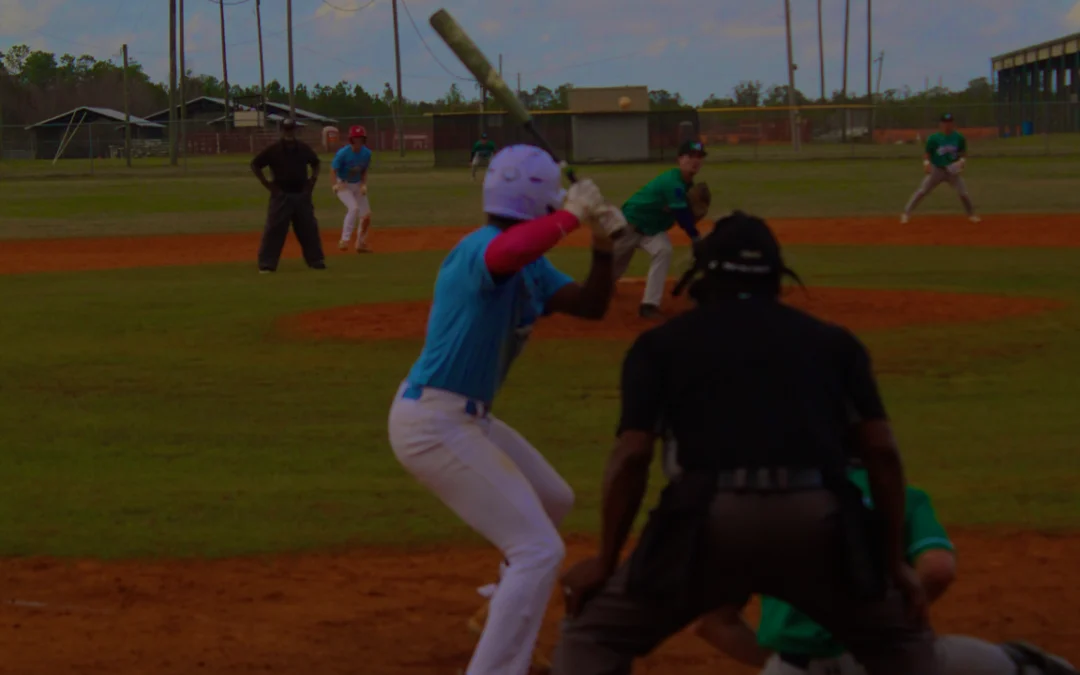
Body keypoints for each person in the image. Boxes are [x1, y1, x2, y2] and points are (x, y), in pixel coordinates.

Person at [551, 211, 939, 675]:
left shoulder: (661, 347)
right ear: (777, 274)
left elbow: (633, 455)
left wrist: (606, 560)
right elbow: (882, 452)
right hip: (819, 521)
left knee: (594, 635)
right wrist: (893, 564)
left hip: (708, 521)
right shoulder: (835, 344)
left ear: (703, 275)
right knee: (904, 644)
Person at [387, 144, 627, 675]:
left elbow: (591, 306)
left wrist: (603, 245)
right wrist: (571, 217)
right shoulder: (481, 250)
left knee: (553, 500)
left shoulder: (532, 267)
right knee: (539, 550)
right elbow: (504, 255)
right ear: (540, 203)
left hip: (464, 419)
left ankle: (498, 608)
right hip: (432, 422)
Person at [694, 458, 1078, 675]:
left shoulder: (756, 511)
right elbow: (939, 568)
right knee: (1028, 668)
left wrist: (785, 662)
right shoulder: (901, 498)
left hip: (794, 667)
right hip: (891, 660)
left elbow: (713, 622)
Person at [613, 139, 707, 320]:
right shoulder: (673, 183)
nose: (695, 161)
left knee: (663, 251)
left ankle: (649, 305)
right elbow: (681, 215)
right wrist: (696, 237)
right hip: (628, 226)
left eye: (699, 157)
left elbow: (683, 213)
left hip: (652, 230)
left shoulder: (688, 186)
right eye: (690, 156)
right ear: (680, 159)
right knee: (608, 273)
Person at [250, 118, 326, 273]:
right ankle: (267, 264)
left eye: (291, 130)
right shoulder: (274, 150)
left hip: (301, 194)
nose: (289, 133)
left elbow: (316, 163)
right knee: (274, 230)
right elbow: (255, 164)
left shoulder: (303, 149)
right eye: (287, 130)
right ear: (282, 131)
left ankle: (315, 260)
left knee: (308, 228)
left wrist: (312, 181)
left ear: (295, 131)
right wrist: (267, 184)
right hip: (281, 195)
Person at [900, 113, 980, 224]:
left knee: (963, 193)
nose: (947, 124)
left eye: (949, 122)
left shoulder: (959, 138)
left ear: (953, 124)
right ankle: (906, 213)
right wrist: (926, 163)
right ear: (941, 124)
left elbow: (963, 153)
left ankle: (971, 215)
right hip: (937, 169)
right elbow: (927, 153)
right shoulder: (933, 138)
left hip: (952, 171)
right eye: (945, 122)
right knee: (922, 191)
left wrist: (961, 162)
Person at [332, 125, 374, 253]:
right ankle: (344, 240)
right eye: (355, 139)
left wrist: (363, 184)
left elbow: (364, 170)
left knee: (366, 216)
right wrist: (335, 184)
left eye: (360, 139)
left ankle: (360, 244)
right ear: (351, 139)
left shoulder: (366, 153)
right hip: (343, 184)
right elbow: (333, 169)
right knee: (353, 208)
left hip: (357, 184)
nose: (358, 141)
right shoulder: (343, 153)